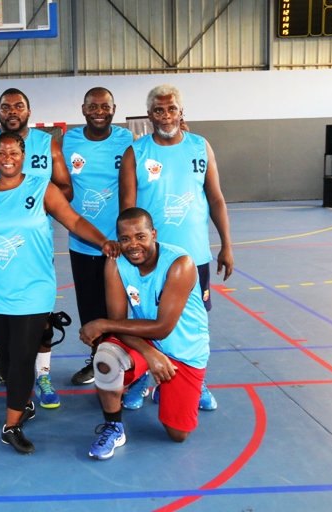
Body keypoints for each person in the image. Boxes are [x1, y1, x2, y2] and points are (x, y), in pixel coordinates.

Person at [0, 132, 120, 454]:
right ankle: (22, 403)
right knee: (8, 361)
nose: (8, 158)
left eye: (14, 152)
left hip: (33, 289)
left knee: (23, 357)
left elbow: (74, 220)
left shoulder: (41, 188)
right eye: (1, 153)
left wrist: (103, 241)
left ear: (24, 156)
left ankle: (11, 426)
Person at [119, 84, 233, 411]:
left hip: (194, 255)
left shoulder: (200, 146)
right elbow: (127, 210)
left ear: (181, 112)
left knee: (194, 322)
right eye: (159, 110)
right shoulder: (136, 153)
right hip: (151, 259)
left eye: (171, 109)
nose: (166, 115)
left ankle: (196, 380)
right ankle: (143, 378)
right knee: (147, 318)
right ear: (149, 115)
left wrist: (226, 244)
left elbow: (215, 198)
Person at [0, 88, 72, 411]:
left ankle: (42, 376)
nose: (12, 111)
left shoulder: (47, 144)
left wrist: (35, 201)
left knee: (39, 319)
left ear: (28, 111)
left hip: (32, 244)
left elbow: (65, 187)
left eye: (18, 106)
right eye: (5, 106)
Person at [79, 208, 210, 459]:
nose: (133, 245)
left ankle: (164, 388)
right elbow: (119, 322)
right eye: (125, 239)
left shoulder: (180, 264)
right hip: (145, 338)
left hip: (183, 347)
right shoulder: (116, 262)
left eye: (140, 236)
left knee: (177, 434)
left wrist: (102, 324)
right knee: (105, 359)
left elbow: (162, 327)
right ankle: (114, 427)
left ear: (154, 234)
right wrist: (150, 353)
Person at [61, 87, 134, 389]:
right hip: (82, 243)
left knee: (121, 308)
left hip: (120, 244)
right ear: (83, 110)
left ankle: (126, 363)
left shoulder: (127, 140)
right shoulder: (68, 142)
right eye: (93, 106)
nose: (99, 112)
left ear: (114, 109)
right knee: (90, 308)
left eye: (105, 106)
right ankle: (97, 360)